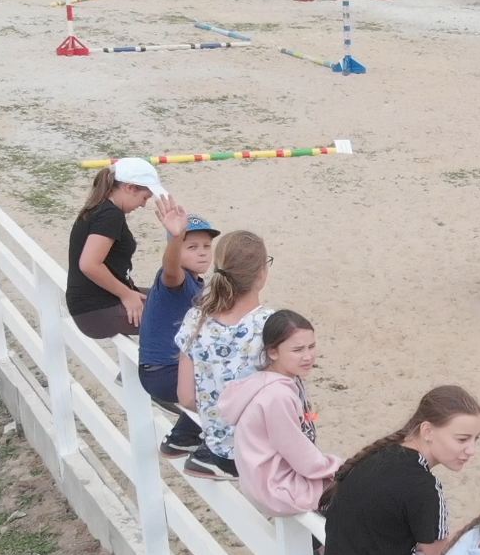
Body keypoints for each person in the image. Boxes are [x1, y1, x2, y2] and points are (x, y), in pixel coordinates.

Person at [312, 386, 480, 555]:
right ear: (427, 431)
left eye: (476, 439)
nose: (471, 450)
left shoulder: (379, 455)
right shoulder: (423, 487)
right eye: (462, 439)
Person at [218, 309, 343, 515]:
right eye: (298, 350)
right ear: (273, 352)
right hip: (274, 487)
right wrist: (342, 468)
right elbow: (304, 460)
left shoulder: (263, 380)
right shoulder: (278, 396)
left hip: (258, 479)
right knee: (359, 493)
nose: (308, 356)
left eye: (311, 347)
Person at [175, 231, 273, 481]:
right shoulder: (270, 325)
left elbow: (186, 398)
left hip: (218, 449)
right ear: (261, 274)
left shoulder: (196, 319)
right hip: (259, 452)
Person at [138, 198, 218, 458]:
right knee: (227, 384)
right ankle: (182, 438)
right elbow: (171, 270)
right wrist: (175, 237)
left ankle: (189, 434)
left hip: (166, 369)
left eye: (206, 246)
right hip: (164, 372)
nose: (202, 252)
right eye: (192, 246)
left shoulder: (197, 282)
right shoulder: (176, 280)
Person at [66, 157, 167, 338]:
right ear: (130, 188)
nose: (143, 204)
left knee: (175, 297)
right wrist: (127, 295)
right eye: (144, 197)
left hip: (92, 303)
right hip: (97, 309)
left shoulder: (99, 207)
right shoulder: (111, 215)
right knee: (177, 317)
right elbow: (89, 264)